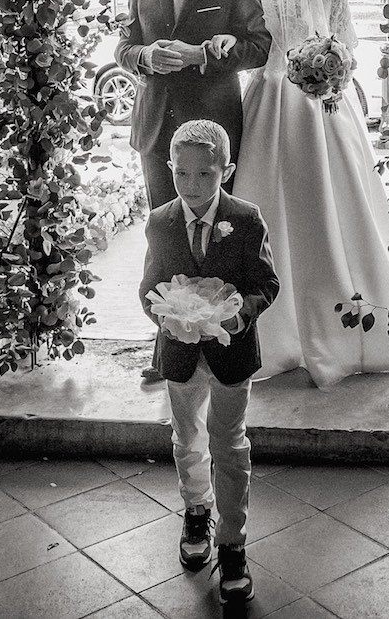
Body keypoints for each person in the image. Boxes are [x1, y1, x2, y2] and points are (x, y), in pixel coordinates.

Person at [233, 0, 389, 386]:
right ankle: (270, 321)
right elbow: (255, 48)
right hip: (272, 102)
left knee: (332, 203)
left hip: (324, 108)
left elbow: (349, 47)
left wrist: (329, 65)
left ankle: (344, 309)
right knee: (268, 204)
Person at [139, 120, 281, 607]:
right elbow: (148, 286)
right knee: (186, 437)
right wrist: (165, 314)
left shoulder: (245, 219)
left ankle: (233, 541)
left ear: (227, 169)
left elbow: (267, 284)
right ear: (170, 169)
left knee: (229, 441)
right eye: (182, 173)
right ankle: (196, 510)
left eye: (205, 174)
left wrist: (239, 313)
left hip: (231, 352)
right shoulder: (159, 221)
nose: (193, 185)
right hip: (179, 353)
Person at [117, 0, 273, 212]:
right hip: (156, 129)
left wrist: (200, 56)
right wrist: (145, 56)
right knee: (163, 226)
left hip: (211, 127)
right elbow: (123, 48)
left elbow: (258, 48)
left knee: (216, 229)